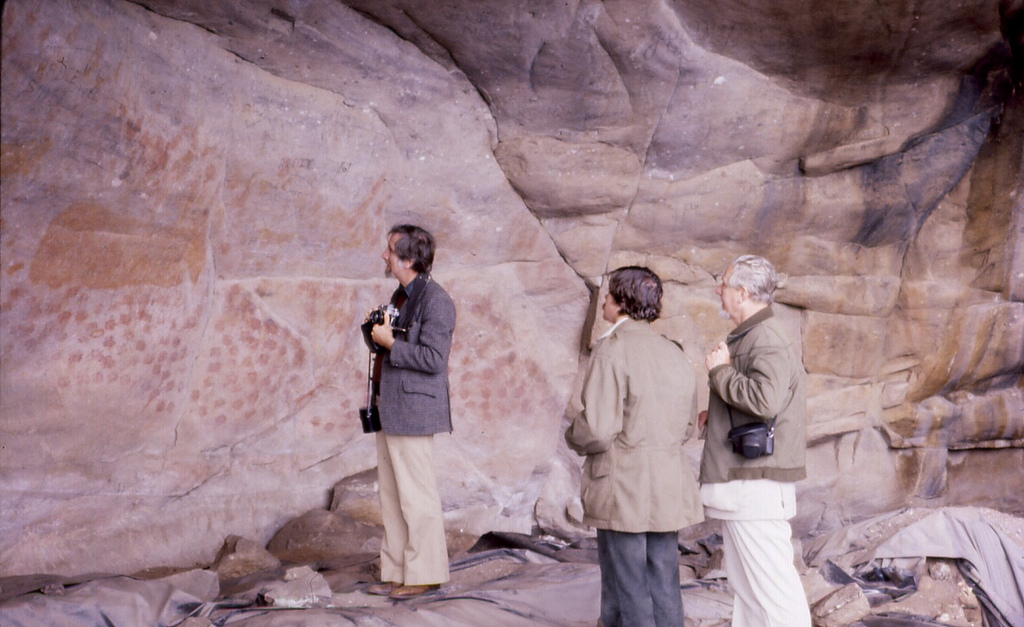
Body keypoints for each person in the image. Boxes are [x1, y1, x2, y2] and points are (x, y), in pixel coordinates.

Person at [565, 266, 704, 627]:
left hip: (623, 484)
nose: (605, 302)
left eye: (609, 295)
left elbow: (597, 427)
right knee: (663, 576)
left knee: (626, 581)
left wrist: (571, 435)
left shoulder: (613, 350)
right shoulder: (675, 353)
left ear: (620, 302)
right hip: (668, 482)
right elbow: (687, 426)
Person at [698, 255, 810, 626]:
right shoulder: (754, 334)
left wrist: (720, 373)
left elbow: (766, 400)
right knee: (749, 593)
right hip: (749, 485)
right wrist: (715, 417)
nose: (719, 290)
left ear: (742, 293)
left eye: (724, 284)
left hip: (755, 487)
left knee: (772, 595)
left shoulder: (765, 338)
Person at [364, 224, 455, 600]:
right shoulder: (402, 296)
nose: (384, 256)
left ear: (407, 259)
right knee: (391, 493)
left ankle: (425, 573)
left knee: (416, 496)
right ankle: (398, 569)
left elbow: (434, 360)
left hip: (414, 411)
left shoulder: (437, 301)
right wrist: (375, 332)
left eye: (389, 251)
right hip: (392, 406)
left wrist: (389, 343)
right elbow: (391, 343)